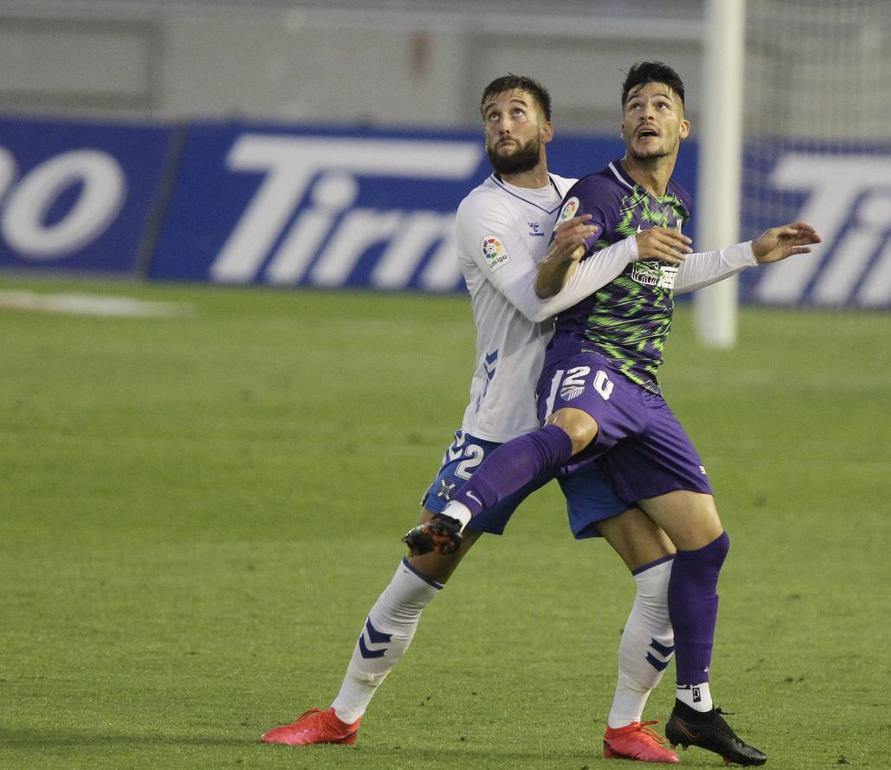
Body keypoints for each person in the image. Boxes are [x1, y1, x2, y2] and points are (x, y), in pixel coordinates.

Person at [261, 73, 785, 763]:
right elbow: (540, 303)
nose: (503, 126)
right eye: (491, 116)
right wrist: (618, 251)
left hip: (592, 410)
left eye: (517, 114)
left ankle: (627, 724)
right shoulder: (483, 213)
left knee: (662, 573)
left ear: (547, 128)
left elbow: (649, 272)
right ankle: (342, 713)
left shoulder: (584, 194)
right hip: (505, 424)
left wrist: (735, 254)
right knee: (423, 569)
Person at [412, 62, 820, 767]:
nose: (646, 114)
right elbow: (556, 278)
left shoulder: (675, 202)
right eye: (635, 104)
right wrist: (587, 246)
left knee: (707, 543)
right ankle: (456, 511)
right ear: (622, 124)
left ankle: (693, 708)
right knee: (571, 430)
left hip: (643, 390)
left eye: (661, 104)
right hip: (588, 360)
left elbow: (668, 272)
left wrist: (752, 254)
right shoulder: (601, 192)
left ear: (682, 126)